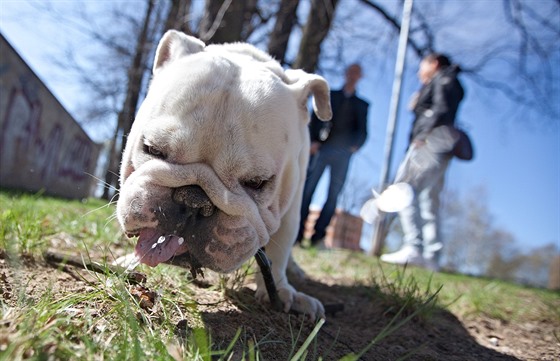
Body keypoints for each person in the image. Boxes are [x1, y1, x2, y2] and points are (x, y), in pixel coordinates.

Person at [380, 53, 464, 270]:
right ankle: (431, 256)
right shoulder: (446, 81)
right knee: (430, 200)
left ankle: (413, 247)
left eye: (422, 66)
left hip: (429, 142)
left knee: (404, 190)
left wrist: (423, 135)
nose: (419, 72)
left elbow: (441, 110)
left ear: (434, 64)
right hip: (442, 145)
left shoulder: (442, 80)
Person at [296, 64, 369, 247]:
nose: (352, 76)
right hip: (322, 149)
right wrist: (311, 141)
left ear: (360, 77)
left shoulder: (362, 105)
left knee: (333, 195)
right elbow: (315, 119)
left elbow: (363, 131)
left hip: (343, 155)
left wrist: (354, 147)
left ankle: (318, 237)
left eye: (356, 73)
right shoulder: (330, 96)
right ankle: (297, 234)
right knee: (307, 190)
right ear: (346, 73)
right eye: (350, 71)